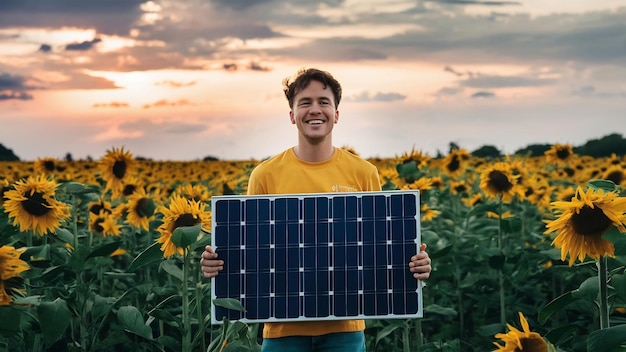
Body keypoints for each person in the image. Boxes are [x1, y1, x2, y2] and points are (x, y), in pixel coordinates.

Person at [201, 67, 432, 351]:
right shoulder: (264, 175)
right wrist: (216, 264)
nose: (315, 110)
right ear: (291, 115)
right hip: (281, 328)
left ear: (336, 114)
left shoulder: (364, 173)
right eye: (305, 102)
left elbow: (377, 250)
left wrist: (416, 265)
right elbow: (251, 253)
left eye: (324, 102)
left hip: (345, 327)